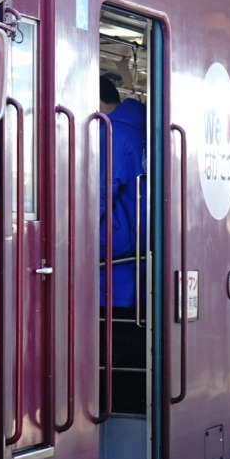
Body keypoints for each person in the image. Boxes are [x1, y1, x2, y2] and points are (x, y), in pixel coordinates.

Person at [100, 72, 147, 412]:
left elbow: (92, 203)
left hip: (111, 280)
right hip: (142, 279)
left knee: (111, 377)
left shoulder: (109, 133)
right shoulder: (146, 128)